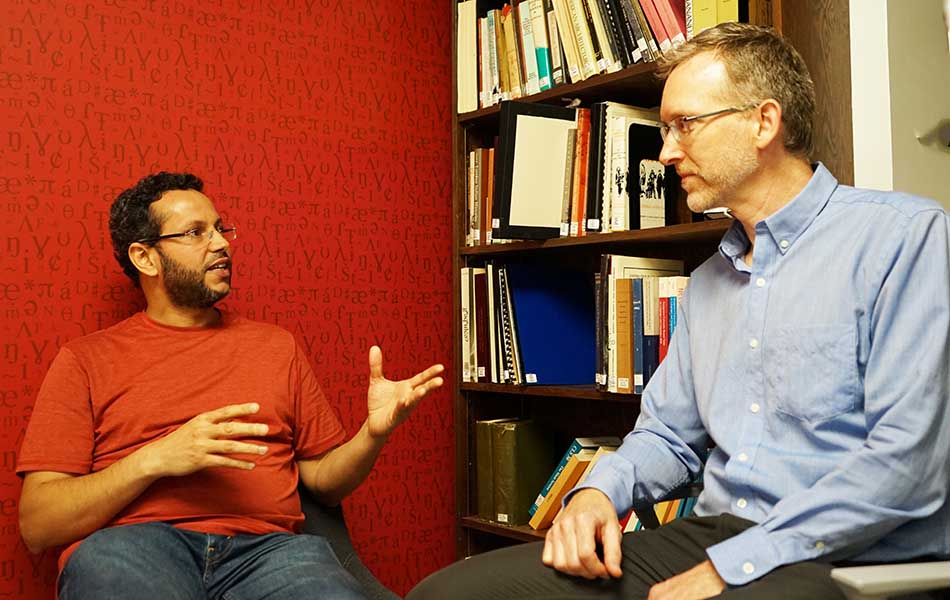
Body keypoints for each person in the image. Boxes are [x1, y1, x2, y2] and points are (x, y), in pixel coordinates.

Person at [408, 22, 950, 600]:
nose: (666, 151)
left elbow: (906, 465)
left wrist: (736, 565)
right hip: (717, 534)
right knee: (446, 595)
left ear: (763, 122)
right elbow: (668, 435)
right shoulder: (708, 283)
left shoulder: (904, 239)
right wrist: (596, 494)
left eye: (684, 125)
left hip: (847, 551)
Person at [17, 172, 445, 600]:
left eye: (220, 229)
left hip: (268, 553)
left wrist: (372, 434)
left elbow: (324, 483)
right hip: (133, 548)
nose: (221, 244)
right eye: (195, 233)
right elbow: (39, 525)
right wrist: (155, 458)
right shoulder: (85, 360)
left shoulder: (276, 346)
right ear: (145, 258)